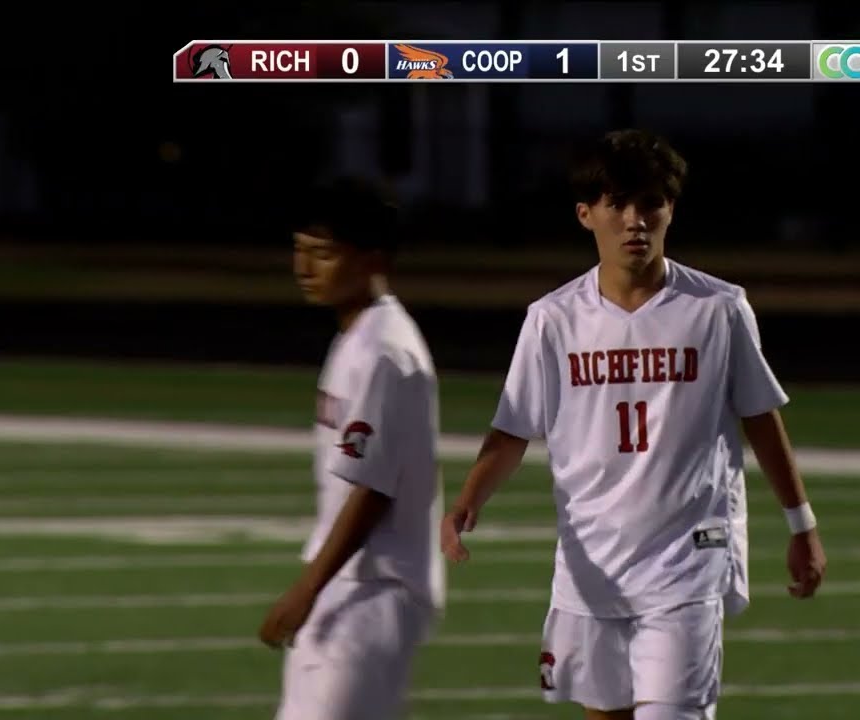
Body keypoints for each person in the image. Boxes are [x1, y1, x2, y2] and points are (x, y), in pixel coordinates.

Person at [440, 129, 828, 720]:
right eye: (617, 204)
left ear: (671, 210)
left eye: (650, 203)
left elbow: (760, 416)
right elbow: (514, 428)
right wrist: (467, 501)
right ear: (585, 214)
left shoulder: (719, 309)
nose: (634, 220)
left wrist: (801, 524)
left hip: (688, 559)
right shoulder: (552, 320)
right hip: (590, 561)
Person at [259, 175, 445, 720]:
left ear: (372, 260)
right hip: (350, 586)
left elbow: (371, 489)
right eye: (299, 250)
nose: (304, 267)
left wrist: (305, 589)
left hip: (370, 588)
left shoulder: (382, 351)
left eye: (324, 254)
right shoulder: (358, 337)